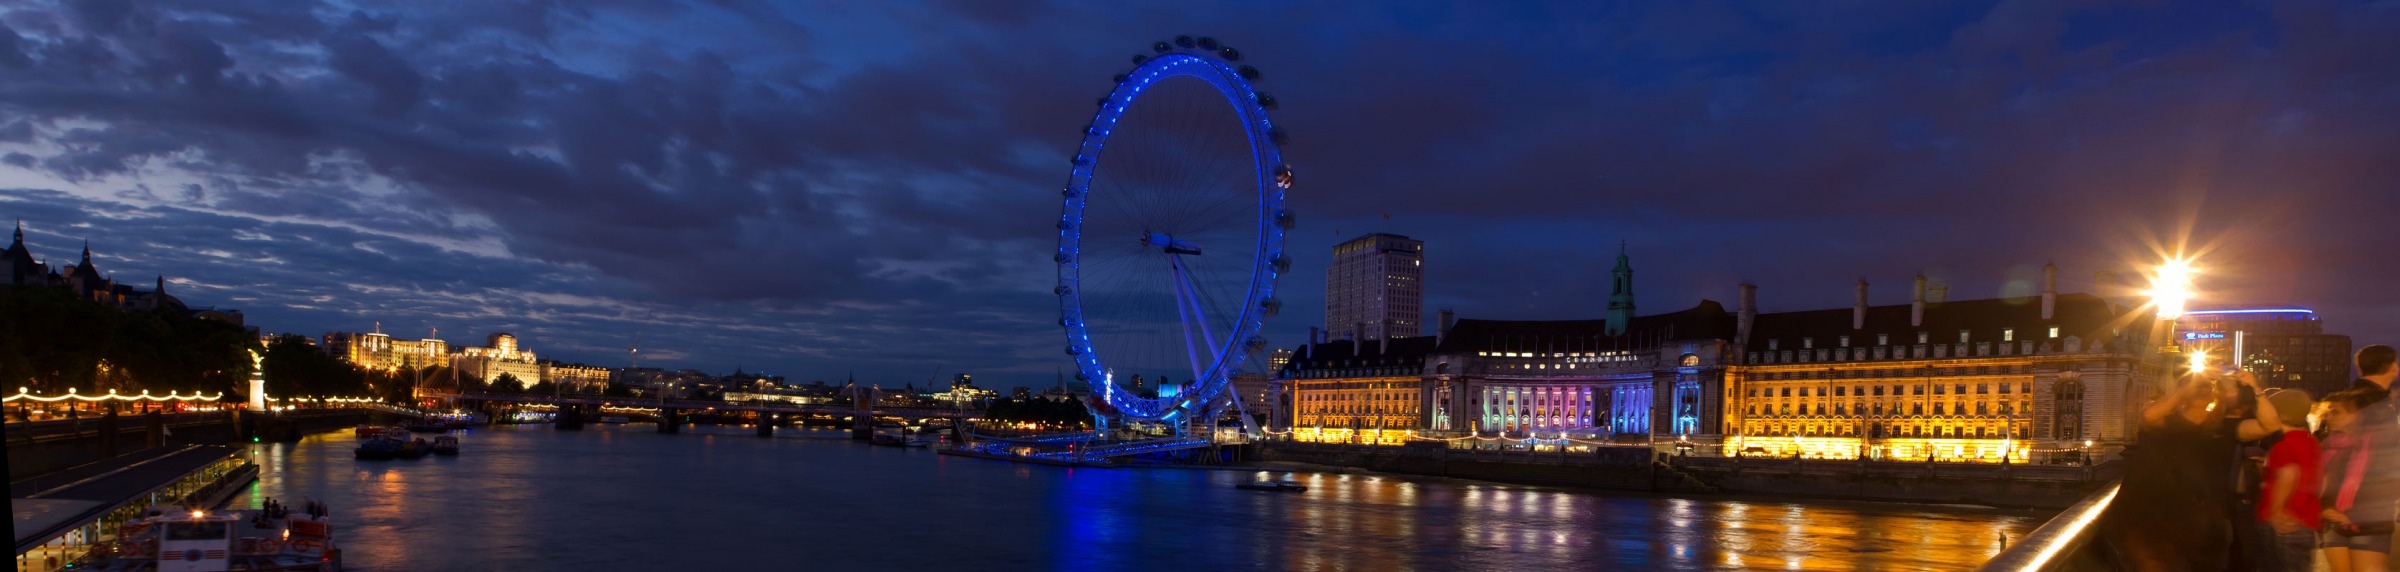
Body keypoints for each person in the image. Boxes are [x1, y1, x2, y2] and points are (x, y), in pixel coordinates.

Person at [2318, 388, 2385, 572]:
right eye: (2329, 411)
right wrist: (2324, 509)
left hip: (2370, 525)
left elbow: (2386, 485)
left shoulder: (2378, 445)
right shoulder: (2328, 444)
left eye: (2336, 412)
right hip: (2333, 522)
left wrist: (2354, 513)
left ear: (2358, 415)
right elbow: (2319, 483)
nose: (2330, 416)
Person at [2257, 388, 2321, 572]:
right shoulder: (2311, 442)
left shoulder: (2284, 444)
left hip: (2284, 524)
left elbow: (2288, 473)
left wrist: (2276, 512)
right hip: (2304, 521)